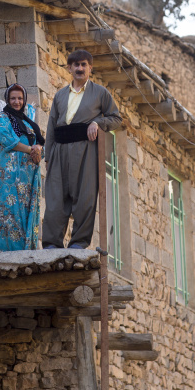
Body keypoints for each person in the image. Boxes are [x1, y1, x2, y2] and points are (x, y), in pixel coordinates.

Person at [42, 49, 122, 249]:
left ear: (90, 68)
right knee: (54, 201)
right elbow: (52, 126)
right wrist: (48, 155)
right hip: (59, 151)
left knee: (85, 198)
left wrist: (98, 123)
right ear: (69, 68)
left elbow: (116, 118)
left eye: (84, 64)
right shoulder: (60, 95)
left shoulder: (100, 93)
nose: (80, 68)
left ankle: (78, 244)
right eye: (76, 65)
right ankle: (52, 244)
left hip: (86, 150)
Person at [0, 84, 45, 251]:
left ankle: (28, 250)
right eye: (13, 98)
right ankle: (10, 251)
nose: (17, 102)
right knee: (11, 211)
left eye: (20, 98)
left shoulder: (28, 122)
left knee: (28, 210)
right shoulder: (2, 118)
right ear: (8, 100)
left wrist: (38, 149)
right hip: (10, 175)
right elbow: (8, 140)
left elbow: (39, 144)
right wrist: (31, 149)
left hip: (29, 176)